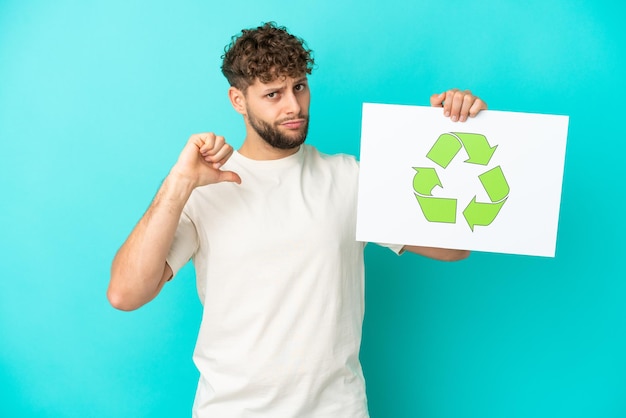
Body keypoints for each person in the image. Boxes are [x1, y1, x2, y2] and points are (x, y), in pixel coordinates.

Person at [108, 22, 487, 417]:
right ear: (238, 100)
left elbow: (454, 248)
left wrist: (456, 131)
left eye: (299, 87)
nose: (293, 106)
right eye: (273, 94)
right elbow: (125, 294)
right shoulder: (203, 190)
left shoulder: (350, 178)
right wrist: (179, 183)